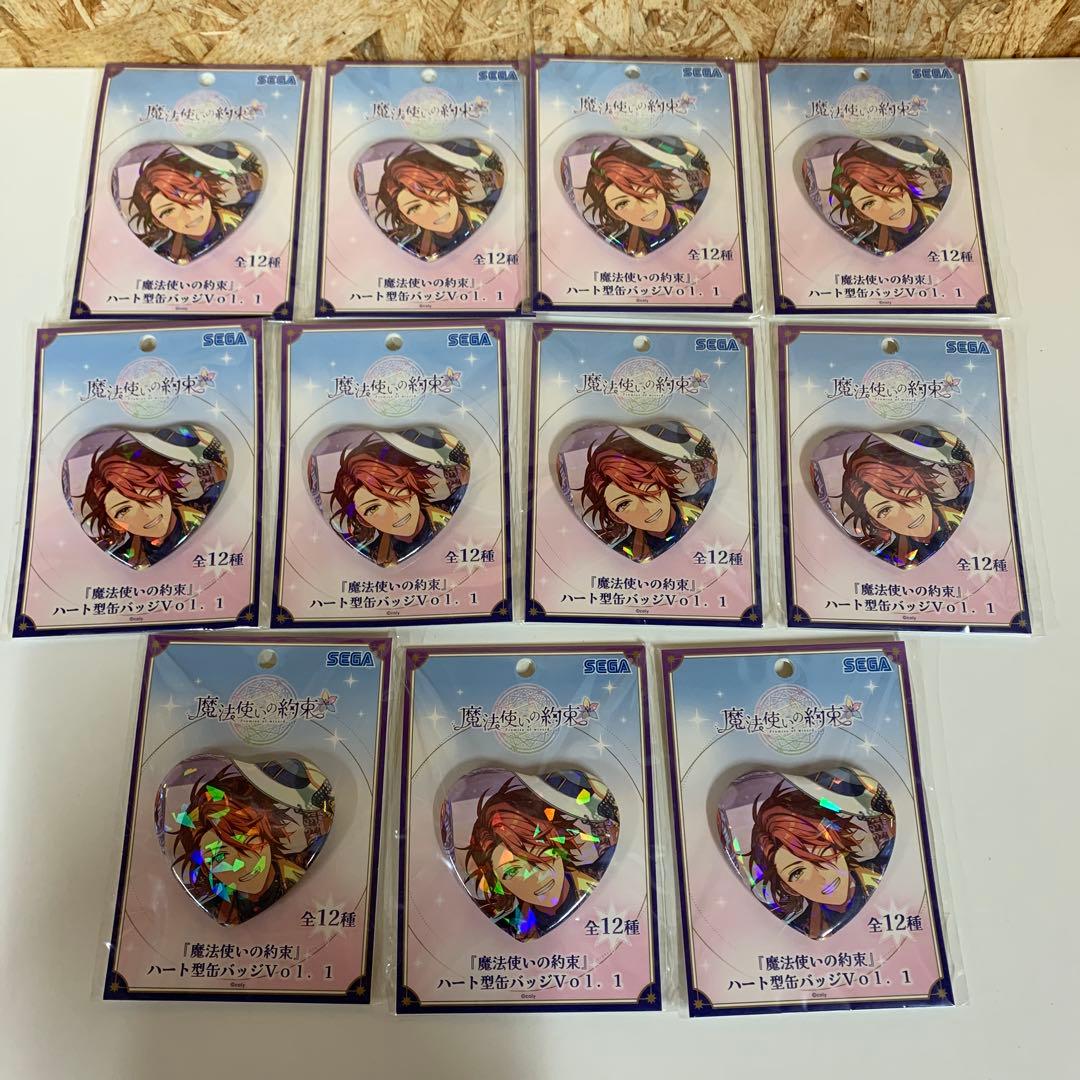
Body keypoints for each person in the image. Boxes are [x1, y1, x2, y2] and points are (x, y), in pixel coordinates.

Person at [160, 758, 333, 926]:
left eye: (248, 841)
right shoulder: (217, 908)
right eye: (219, 858)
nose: (238, 865)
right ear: (206, 867)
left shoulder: (301, 862)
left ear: (267, 832)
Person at [462, 774, 617, 941]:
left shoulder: (605, 874)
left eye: (538, 852)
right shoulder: (508, 930)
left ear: (556, 841)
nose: (535, 876)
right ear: (499, 882)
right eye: (512, 871)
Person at [748, 772, 894, 940]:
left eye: (820, 850)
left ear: (836, 844)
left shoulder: (886, 867)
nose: (821, 876)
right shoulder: (800, 931)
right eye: (797, 872)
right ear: (787, 887)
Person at [78, 430, 225, 568]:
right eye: (124, 510)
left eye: (147, 493)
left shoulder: (213, 504)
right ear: (114, 523)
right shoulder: (120, 563)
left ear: (165, 485)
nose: (145, 512)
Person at [328, 429, 468, 567]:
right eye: (373, 508)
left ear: (411, 483)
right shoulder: (371, 557)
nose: (393, 511)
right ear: (362, 519)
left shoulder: (454, 508)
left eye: (395, 491)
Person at [837, 429, 972, 568]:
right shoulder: (891, 557)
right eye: (884, 510)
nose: (907, 512)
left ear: (920, 483)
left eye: (905, 492)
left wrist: (956, 449)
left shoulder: (964, 508)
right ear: (876, 521)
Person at [579, 425, 714, 562]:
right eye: (624, 504)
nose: (646, 506)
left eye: (646, 486)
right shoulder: (623, 556)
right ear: (615, 516)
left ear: (661, 478)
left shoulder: (706, 502)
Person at [128, 142, 262, 264]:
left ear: (205, 188)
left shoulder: (248, 213)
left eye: (189, 195)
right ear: (158, 221)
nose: (187, 213)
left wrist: (253, 159)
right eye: (168, 211)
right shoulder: (164, 256)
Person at [372, 140, 501, 260]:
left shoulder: (491, 210)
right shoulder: (412, 250)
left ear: (451, 184)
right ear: (406, 218)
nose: (435, 210)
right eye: (415, 207)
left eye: (436, 192)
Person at [580, 137, 707, 256]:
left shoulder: (697, 207)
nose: (642, 207)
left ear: (658, 182)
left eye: (643, 189)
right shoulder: (619, 247)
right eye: (622, 203)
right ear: (614, 213)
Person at [827, 137, 951, 256]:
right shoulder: (871, 248)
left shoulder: (945, 204)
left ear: (902, 181)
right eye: (869, 203)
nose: (889, 205)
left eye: (889, 188)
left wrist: (939, 154)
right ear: (861, 214)